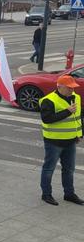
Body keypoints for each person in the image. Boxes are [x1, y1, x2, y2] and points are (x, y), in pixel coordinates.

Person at [38, 75, 84, 206]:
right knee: (49, 169)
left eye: (73, 88)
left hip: (70, 141)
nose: (72, 90)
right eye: (69, 88)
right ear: (59, 87)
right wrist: (67, 111)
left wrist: (80, 134)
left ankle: (69, 194)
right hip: (54, 141)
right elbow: (47, 119)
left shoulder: (76, 97)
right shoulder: (48, 100)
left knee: (69, 170)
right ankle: (46, 194)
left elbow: (79, 116)